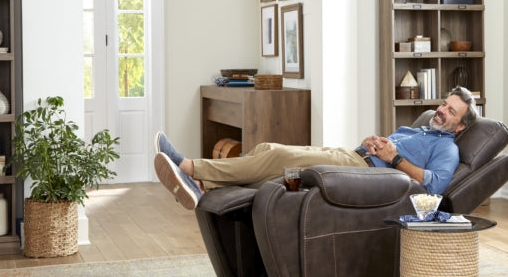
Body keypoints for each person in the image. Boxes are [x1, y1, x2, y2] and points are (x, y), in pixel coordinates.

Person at [154, 86, 477, 210]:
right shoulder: (417, 128)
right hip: (352, 156)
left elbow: (435, 186)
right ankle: (203, 186)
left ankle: (190, 168)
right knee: (268, 146)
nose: (441, 111)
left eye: (451, 111)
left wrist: (395, 158)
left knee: (281, 157)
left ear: (460, 126)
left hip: (363, 174)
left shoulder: (448, 148)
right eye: (444, 104)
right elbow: (386, 150)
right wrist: (372, 143)